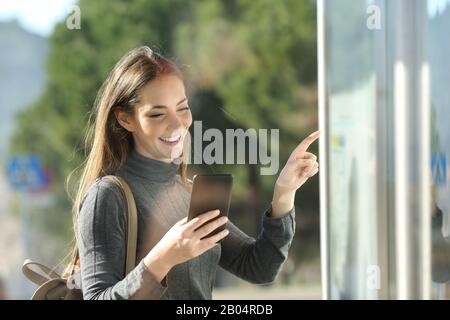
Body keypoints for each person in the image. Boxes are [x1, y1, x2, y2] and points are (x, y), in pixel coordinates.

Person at [69, 46, 320, 299]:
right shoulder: (107, 196)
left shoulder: (189, 193)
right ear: (126, 119)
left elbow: (259, 268)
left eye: (182, 108)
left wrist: (284, 194)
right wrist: (162, 258)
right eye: (157, 113)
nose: (177, 124)